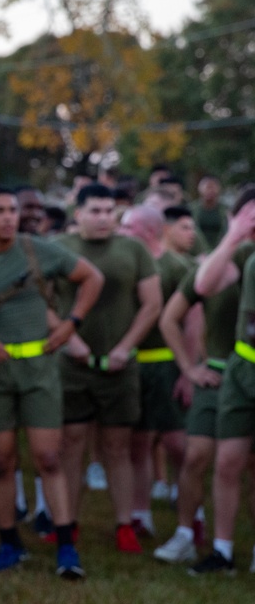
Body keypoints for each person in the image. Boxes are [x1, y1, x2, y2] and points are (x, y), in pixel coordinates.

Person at [0, 186, 103, 577]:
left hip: (39, 369)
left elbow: (91, 277)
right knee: (0, 462)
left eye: (12, 210)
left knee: (49, 457)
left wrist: (71, 324)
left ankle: (66, 545)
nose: (8, 217)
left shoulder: (38, 251)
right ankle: (9, 542)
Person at [53, 186, 162, 553]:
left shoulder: (133, 249)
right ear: (78, 212)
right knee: (71, 444)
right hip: (72, 364)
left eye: (109, 211)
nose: (104, 218)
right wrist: (68, 338)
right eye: (95, 211)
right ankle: (67, 523)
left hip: (120, 365)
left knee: (118, 447)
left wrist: (125, 347)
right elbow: (40, 300)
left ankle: (124, 524)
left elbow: (151, 304)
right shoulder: (60, 248)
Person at [188, 188, 255, 574]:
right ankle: (223, 551)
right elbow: (204, 286)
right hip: (242, 370)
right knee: (227, 463)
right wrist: (233, 235)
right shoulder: (245, 254)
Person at [119, 206, 191, 538]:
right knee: (138, 442)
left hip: (166, 363)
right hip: (136, 363)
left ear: (147, 230)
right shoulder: (128, 263)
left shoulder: (175, 267)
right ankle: (140, 513)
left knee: (177, 443)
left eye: (127, 226)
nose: (120, 231)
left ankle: (192, 509)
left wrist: (188, 370)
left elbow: (192, 323)